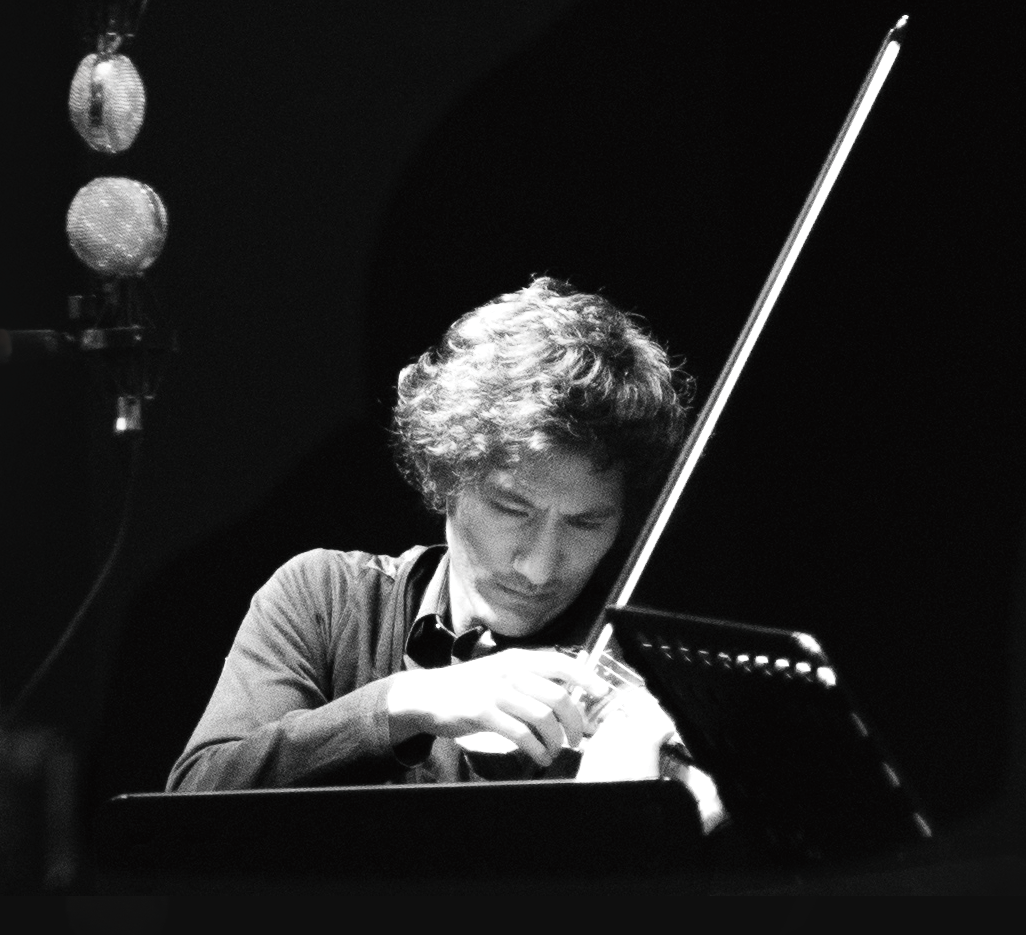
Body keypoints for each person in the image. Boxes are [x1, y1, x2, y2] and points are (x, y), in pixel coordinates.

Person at [167, 276, 720, 814]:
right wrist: (405, 703)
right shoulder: (324, 601)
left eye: (586, 524)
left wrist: (656, 818)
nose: (539, 568)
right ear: (446, 477)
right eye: (512, 509)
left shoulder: (653, 668)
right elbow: (193, 802)